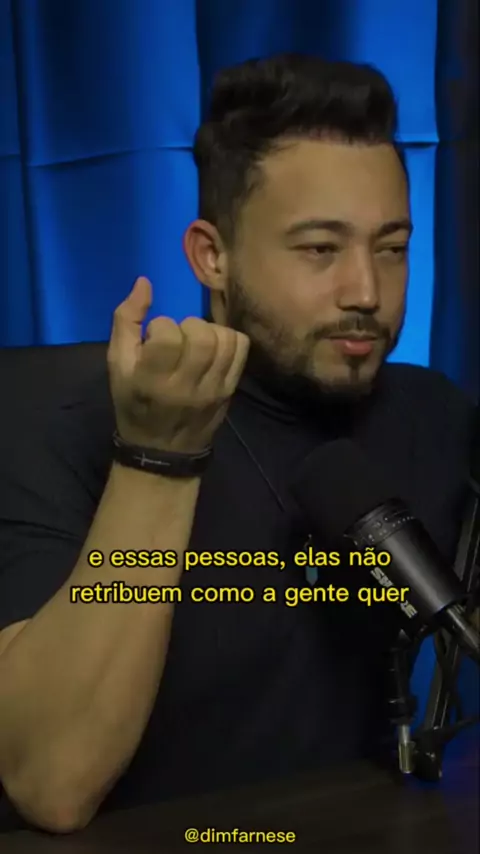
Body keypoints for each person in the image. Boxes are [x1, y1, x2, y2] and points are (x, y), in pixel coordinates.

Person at [0, 53, 474, 834]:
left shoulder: (434, 417)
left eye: (391, 247)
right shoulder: (59, 429)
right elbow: (51, 781)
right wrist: (158, 459)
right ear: (211, 256)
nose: (365, 291)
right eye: (320, 249)